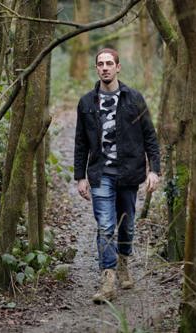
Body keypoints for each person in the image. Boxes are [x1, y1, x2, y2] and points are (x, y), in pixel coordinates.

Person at [73, 48, 161, 304]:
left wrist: (154, 170)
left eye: (109, 63)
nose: (105, 68)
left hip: (129, 173)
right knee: (105, 226)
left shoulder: (135, 99)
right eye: (100, 64)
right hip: (101, 174)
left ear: (118, 67)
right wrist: (80, 177)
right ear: (96, 68)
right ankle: (108, 277)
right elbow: (80, 143)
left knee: (127, 224)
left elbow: (150, 137)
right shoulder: (87, 102)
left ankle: (123, 263)